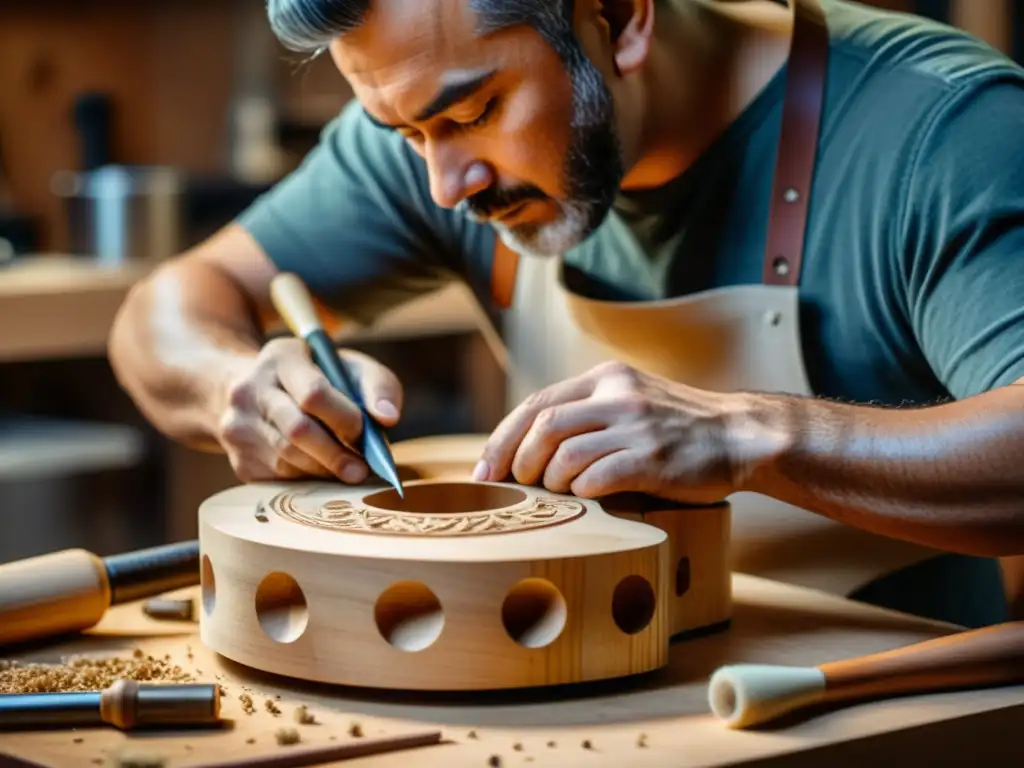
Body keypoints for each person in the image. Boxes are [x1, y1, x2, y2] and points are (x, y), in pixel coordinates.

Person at [108, 0, 1024, 627]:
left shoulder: (940, 132)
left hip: (887, 721)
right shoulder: (430, 122)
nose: (443, 183)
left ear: (620, 16)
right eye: (406, 136)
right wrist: (240, 380)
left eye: (475, 112)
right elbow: (164, 314)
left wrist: (755, 435)